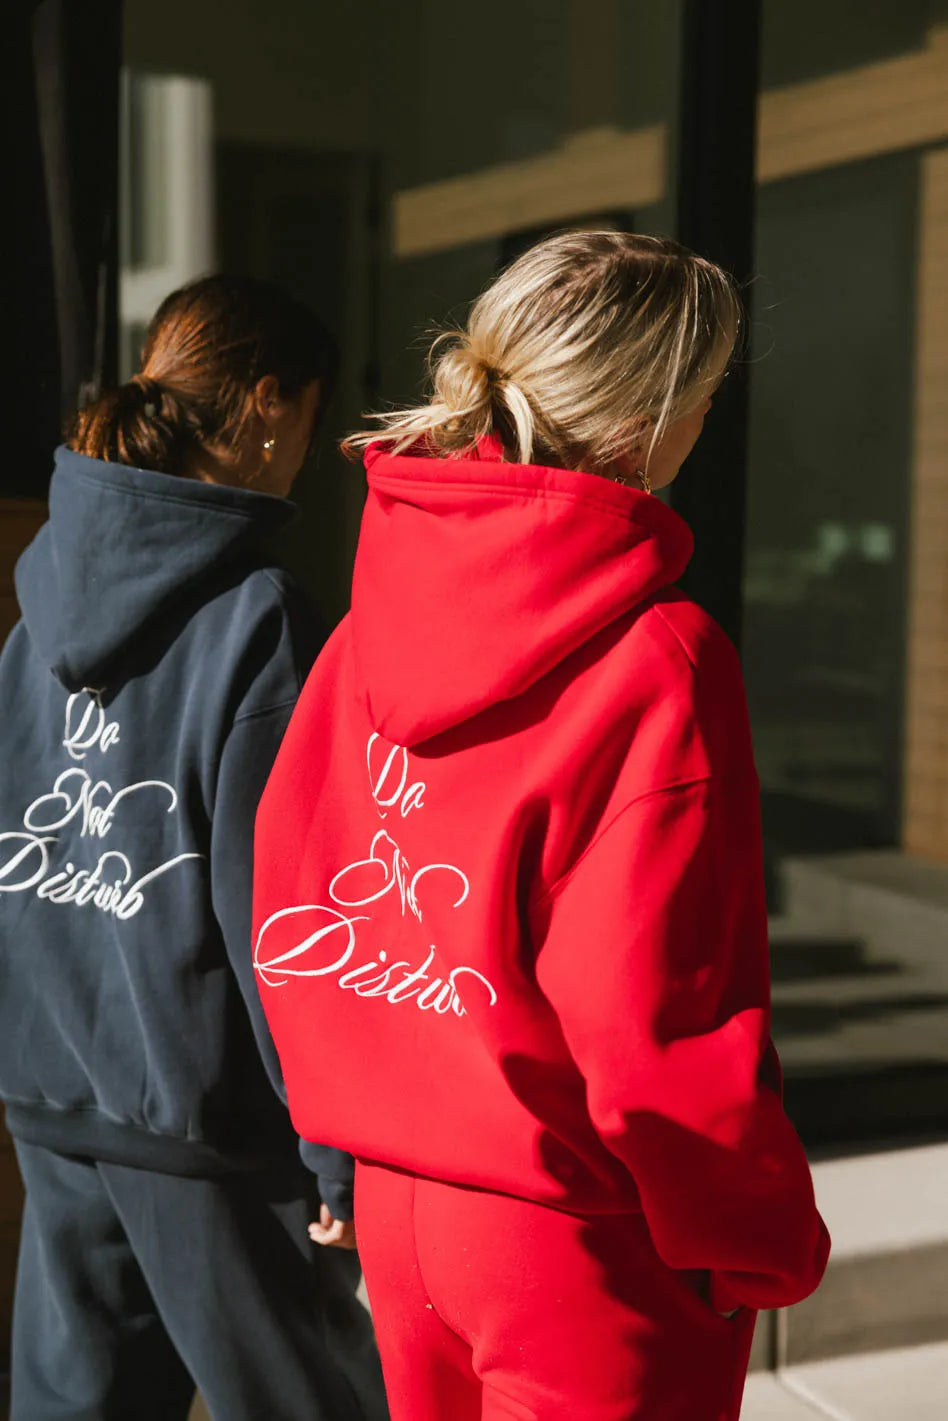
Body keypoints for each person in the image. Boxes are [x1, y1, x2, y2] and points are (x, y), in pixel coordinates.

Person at [252, 232, 831, 1421]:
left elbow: (294, 875)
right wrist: (758, 1232)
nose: (709, 419)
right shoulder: (660, 655)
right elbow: (656, 1013)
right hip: (580, 1237)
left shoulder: (371, 618)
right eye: (707, 392)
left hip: (402, 1208)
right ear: (651, 416)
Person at [0, 275, 387, 1421]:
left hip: (53, 1095)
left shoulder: (39, 604)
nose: (308, 452)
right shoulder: (260, 618)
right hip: (208, 1123)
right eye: (312, 418)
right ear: (269, 402)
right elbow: (282, 916)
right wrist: (336, 1145)